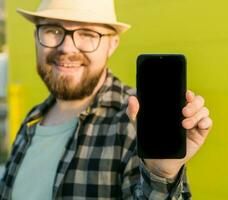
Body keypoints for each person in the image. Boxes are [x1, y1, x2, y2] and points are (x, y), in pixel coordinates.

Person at [0, 0, 213, 199]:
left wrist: (161, 175)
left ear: (112, 44)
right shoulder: (32, 119)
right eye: (52, 30)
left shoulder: (133, 121)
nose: (67, 48)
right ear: (36, 36)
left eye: (87, 33)